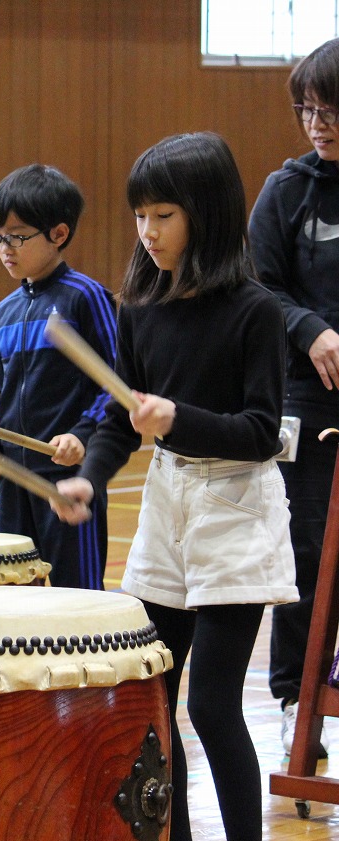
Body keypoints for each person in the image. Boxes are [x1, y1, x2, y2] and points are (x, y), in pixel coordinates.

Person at [52, 132, 297, 841]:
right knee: (153, 699)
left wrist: (178, 418)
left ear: (207, 214)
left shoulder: (256, 310)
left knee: (214, 707)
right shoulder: (141, 306)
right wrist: (89, 477)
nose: (147, 232)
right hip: (167, 508)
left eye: (163, 215)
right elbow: (120, 422)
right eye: (139, 216)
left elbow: (260, 431)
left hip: (235, 509)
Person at [0, 165, 115, 589]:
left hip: (67, 480)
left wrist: (83, 434)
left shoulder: (85, 298)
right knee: (14, 598)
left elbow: (116, 383)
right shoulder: (4, 313)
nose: (5, 248)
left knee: (78, 601)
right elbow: (3, 401)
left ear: (59, 234)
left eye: (17, 237)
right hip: (15, 485)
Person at [250, 36, 339, 756]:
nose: (317, 124)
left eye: (330, 110)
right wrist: (311, 331)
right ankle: (295, 702)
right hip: (307, 399)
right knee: (305, 551)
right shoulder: (286, 191)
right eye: (307, 110)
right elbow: (261, 289)